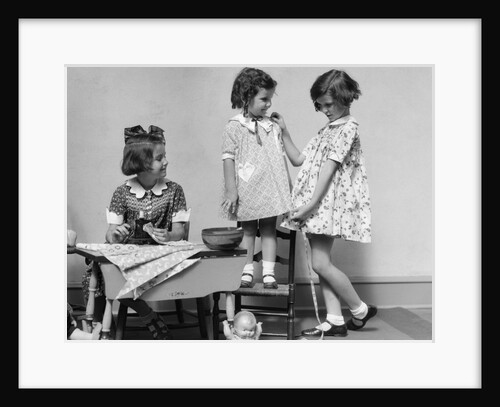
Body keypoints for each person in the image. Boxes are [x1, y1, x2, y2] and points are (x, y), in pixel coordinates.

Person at [273, 69, 377, 337]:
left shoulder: (348, 129)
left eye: (329, 104)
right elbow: (299, 160)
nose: (324, 110)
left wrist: (309, 206)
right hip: (318, 205)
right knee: (322, 261)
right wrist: (284, 131)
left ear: (346, 98)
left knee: (320, 263)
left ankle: (359, 309)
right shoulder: (326, 130)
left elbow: (328, 170)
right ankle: (335, 318)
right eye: (320, 105)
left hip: (325, 205)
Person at [83, 124, 190, 340]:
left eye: (164, 156)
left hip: (159, 257)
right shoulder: (123, 192)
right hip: (128, 256)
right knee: (96, 276)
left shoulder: (174, 190)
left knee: (118, 276)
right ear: (141, 164)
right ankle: (104, 328)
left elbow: (180, 231)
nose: (166, 161)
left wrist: (168, 236)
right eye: (160, 158)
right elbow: (110, 233)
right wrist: (115, 235)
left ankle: (122, 322)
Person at [220, 67, 293, 325]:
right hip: (248, 187)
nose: (268, 104)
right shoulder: (235, 125)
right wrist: (232, 189)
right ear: (246, 96)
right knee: (248, 230)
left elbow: (281, 157)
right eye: (263, 99)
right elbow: (228, 157)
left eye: (270, 98)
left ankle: (269, 272)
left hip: (270, 187)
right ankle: (247, 270)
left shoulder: (272, 126)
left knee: (270, 229)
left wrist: (287, 188)